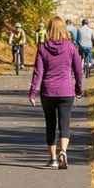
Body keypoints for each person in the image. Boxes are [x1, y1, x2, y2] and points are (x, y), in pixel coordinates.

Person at [28, 17, 83, 169]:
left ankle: (52, 159)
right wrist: (79, 89)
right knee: (64, 124)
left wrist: (33, 92)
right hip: (66, 91)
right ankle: (63, 151)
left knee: (50, 125)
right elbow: (78, 71)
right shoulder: (71, 47)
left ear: (49, 29)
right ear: (64, 29)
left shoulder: (43, 47)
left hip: (48, 92)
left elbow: (38, 72)